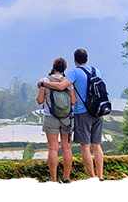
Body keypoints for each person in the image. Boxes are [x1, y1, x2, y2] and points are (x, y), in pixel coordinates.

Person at [40, 49, 104, 181]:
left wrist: (43, 84)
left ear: (75, 60)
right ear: (87, 58)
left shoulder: (74, 72)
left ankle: (91, 177)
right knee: (95, 145)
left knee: (83, 146)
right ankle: (100, 177)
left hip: (82, 112)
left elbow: (60, 87)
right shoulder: (96, 71)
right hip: (98, 111)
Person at [37, 58, 76, 183]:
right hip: (66, 119)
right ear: (64, 68)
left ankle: (53, 179)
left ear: (53, 66)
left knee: (53, 148)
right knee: (67, 148)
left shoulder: (46, 81)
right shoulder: (68, 82)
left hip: (51, 117)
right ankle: (66, 178)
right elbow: (73, 101)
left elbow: (40, 100)